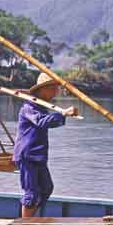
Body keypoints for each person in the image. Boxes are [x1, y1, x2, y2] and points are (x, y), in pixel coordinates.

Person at [13, 73, 77, 217]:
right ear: (42, 90)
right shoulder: (29, 107)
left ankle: (31, 219)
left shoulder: (42, 107)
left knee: (46, 188)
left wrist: (63, 115)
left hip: (38, 156)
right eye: (53, 89)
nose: (55, 92)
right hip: (28, 156)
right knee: (32, 192)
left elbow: (46, 120)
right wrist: (63, 114)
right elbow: (42, 122)